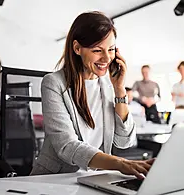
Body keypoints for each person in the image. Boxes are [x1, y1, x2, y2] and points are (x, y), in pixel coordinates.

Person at [30, 11, 154, 179]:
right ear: (77, 48)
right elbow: (67, 147)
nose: (106, 58)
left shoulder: (109, 84)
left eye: (111, 49)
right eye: (97, 50)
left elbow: (125, 142)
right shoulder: (53, 83)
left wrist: (119, 90)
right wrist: (121, 164)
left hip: (96, 178)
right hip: (56, 178)